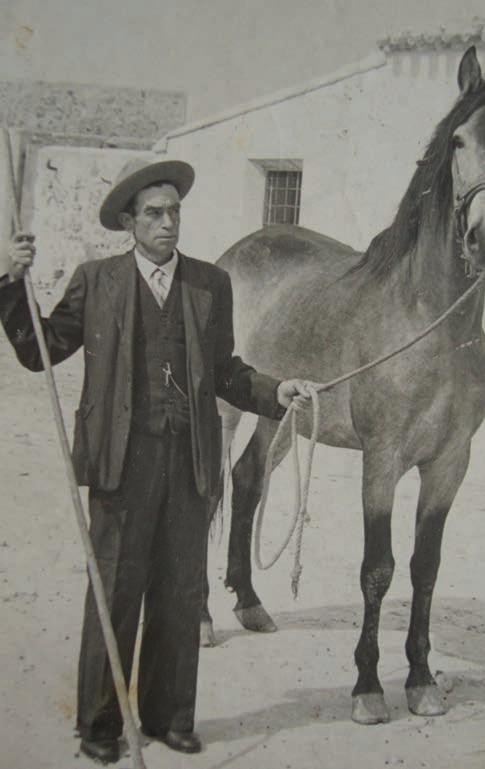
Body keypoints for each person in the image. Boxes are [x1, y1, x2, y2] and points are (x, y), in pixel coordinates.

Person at [0, 157, 313, 764]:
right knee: (115, 591)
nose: (168, 223)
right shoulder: (96, 282)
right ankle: (99, 724)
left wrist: (275, 390)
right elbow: (41, 350)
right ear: (129, 222)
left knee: (178, 590)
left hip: (190, 462)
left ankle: (169, 718)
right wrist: (11, 283)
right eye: (154, 213)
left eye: (174, 212)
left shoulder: (209, 285)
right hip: (121, 463)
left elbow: (225, 371)